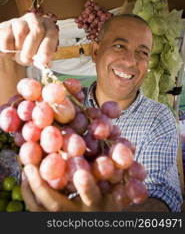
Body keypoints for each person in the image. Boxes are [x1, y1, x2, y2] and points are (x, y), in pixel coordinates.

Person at [0, 12, 183, 212]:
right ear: (95, 52)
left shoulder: (158, 117)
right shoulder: (64, 104)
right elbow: (16, 125)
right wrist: (7, 50)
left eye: (143, 52)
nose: (131, 61)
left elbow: (160, 195)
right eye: (119, 46)